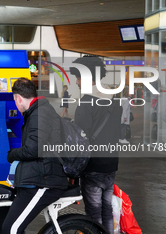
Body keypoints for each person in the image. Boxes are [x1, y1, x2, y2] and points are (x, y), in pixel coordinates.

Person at [0, 78, 68, 234]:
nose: (15, 105)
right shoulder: (37, 112)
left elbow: (33, 149)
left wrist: (11, 155)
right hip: (36, 177)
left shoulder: (40, 114)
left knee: (11, 228)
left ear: (18, 98)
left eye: (14, 101)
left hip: (45, 181)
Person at [70, 56, 121, 234]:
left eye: (77, 77)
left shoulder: (86, 102)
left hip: (93, 166)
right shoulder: (115, 100)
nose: (76, 81)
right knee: (107, 210)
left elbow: (80, 139)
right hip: (111, 164)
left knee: (93, 213)